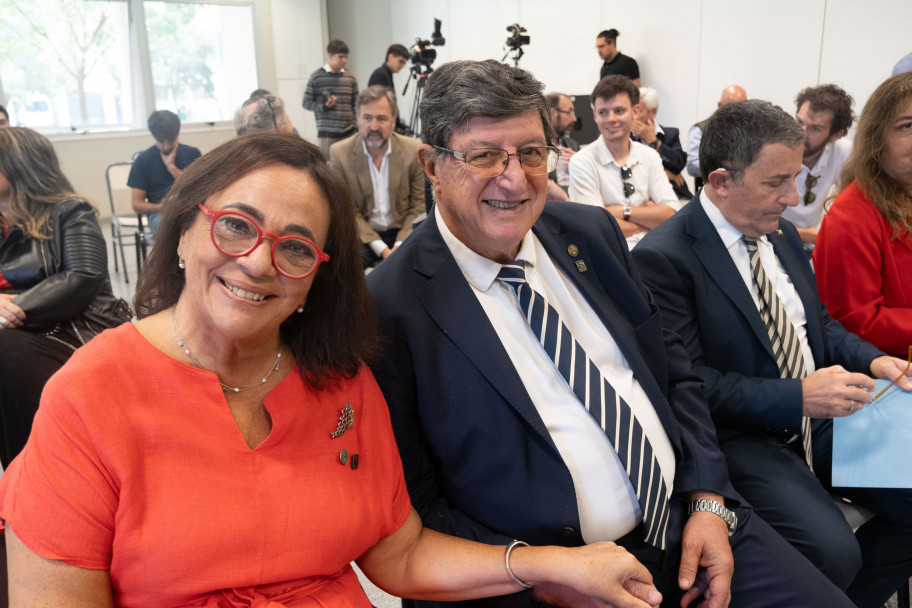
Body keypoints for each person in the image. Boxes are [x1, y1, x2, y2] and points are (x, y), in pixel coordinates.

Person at [0, 131, 660, 608]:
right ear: (181, 234)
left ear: (316, 279)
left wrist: (556, 566)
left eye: (294, 247)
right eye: (236, 226)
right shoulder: (92, 394)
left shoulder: (338, 384)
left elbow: (398, 554)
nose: (259, 262)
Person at [367, 59, 858, 608]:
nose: (514, 177)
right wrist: (542, 577)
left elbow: (674, 376)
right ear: (432, 166)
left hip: (687, 524)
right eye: (483, 156)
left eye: (531, 152)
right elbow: (416, 512)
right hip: (550, 580)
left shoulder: (590, 234)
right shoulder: (389, 307)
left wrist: (708, 499)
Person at [632, 99, 912, 608]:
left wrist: (872, 359)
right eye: (774, 183)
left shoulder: (778, 233)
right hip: (747, 435)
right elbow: (691, 385)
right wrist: (799, 396)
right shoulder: (664, 257)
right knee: (833, 553)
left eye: (796, 177)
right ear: (720, 181)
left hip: (821, 413)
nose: (793, 196)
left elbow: (818, 326)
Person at [0, 127, 131, 468]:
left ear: (18, 167)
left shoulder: (70, 212)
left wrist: (12, 307)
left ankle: (36, 478)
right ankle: (20, 482)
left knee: (4, 350)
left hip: (71, 328)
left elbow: (82, 277)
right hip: (15, 329)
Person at [815, 72, 912, 356]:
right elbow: (856, 323)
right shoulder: (851, 215)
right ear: (876, 138)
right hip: (883, 373)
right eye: (907, 126)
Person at [568, 75, 680, 249]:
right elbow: (595, 227)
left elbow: (672, 214)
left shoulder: (649, 156)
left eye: (619, 110)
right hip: (609, 257)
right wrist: (649, 219)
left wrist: (622, 211)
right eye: (603, 112)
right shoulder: (582, 162)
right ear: (594, 115)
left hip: (655, 251)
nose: (611, 118)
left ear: (635, 111)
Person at [329, 85, 425, 267]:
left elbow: (418, 206)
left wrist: (398, 245)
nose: (374, 126)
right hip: (364, 235)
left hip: (403, 232)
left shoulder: (413, 150)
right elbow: (348, 210)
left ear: (394, 121)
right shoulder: (339, 153)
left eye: (381, 119)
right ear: (358, 119)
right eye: (367, 118)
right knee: (342, 258)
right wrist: (382, 249)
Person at [783, 84, 854, 250]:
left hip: (807, 246)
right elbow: (757, 220)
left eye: (815, 128)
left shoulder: (843, 151)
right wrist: (809, 234)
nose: (801, 132)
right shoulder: (777, 148)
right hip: (769, 239)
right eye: (799, 121)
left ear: (836, 135)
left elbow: (857, 206)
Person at [127, 110, 202, 237]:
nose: (166, 146)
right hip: (160, 214)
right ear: (154, 137)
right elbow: (137, 204)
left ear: (177, 135)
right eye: (162, 141)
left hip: (190, 209)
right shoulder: (143, 160)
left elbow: (201, 190)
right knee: (167, 225)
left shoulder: (193, 154)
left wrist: (172, 168)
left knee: (202, 223)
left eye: (171, 140)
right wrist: (161, 207)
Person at [632, 87, 691, 199]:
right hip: (638, 196)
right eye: (631, 110)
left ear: (653, 112)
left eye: (638, 110)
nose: (633, 116)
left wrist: (652, 141)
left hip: (673, 193)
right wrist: (664, 173)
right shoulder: (625, 137)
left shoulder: (669, 133)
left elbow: (678, 164)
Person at [303, 40, 359, 155]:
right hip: (327, 133)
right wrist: (324, 107)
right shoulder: (317, 77)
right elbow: (306, 102)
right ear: (330, 56)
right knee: (328, 168)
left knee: (349, 168)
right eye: (341, 57)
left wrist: (357, 125)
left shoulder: (350, 78)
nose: (344, 60)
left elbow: (357, 104)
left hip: (349, 132)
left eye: (346, 57)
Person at [685, 85, 746, 189]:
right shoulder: (700, 130)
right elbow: (692, 166)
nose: (737, 113)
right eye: (732, 107)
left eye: (741, 108)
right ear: (720, 105)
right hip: (710, 192)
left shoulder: (749, 132)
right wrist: (727, 167)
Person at [545, 92, 579, 199]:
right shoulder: (538, 149)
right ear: (553, 113)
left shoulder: (572, 145)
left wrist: (580, 162)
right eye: (569, 112)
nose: (574, 118)